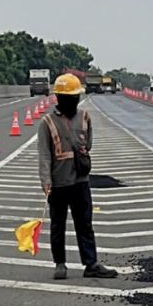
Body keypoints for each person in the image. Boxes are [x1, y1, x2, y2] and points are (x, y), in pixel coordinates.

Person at [37, 73, 117, 281]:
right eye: (69, 97)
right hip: (58, 183)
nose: (73, 101)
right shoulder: (47, 122)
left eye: (74, 97)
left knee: (85, 224)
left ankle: (90, 263)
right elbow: (44, 154)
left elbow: (88, 143)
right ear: (60, 98)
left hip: (80, 181)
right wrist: (45, 180)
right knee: (58, 225)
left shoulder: (84, 117)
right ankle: (60, 263)